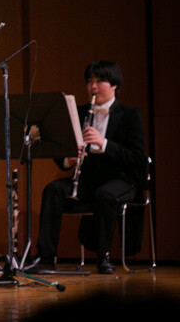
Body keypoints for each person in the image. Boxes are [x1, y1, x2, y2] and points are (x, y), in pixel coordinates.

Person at [27, 60, 146, 275]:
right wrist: (69, 160)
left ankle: (104, 257)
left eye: (100, 81)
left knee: (104, 195)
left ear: (114, 85)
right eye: (90, 81)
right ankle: (45, 257)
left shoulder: (130, 115)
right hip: (89, 179)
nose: (93, 86)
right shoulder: (80, 112)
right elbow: (61, 152)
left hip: (122, 179)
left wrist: (104, 143)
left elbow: (137, 158)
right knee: (53, 190)